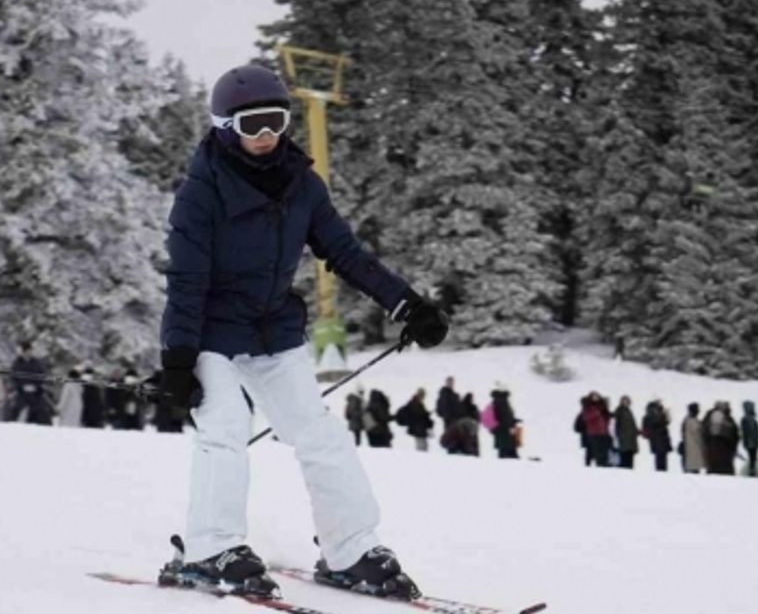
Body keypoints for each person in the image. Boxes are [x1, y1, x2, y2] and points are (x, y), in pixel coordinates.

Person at [155, 64, 448, 600]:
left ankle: (350, 550)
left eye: (275, 120)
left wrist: (406, 304)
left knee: (320, 435)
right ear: (225, 127)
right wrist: (177, 359)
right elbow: (186, 280)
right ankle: (208, 549)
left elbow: (345, 253)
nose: (266, 134)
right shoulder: (201, 194)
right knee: (225, 427)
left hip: (273, 327)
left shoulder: (301, 184)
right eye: (252, 124)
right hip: (212, 331)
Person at [8, 341, 51, 425]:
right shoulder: (17, 363)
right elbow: (13, 377)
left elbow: (41, 376)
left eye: (30, 351)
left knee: (40, 410)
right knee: (15, 408)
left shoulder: (37, 363)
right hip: (21, 391)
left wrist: (36, 386)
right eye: (27, 351)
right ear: (23, 352)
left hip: (35, 392)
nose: (29, 353)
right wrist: (21, 386)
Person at [574, 392, 612, 467]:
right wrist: (597, 412)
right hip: (593, 433)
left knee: (604, 449)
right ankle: (597, 464)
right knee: (595, 450)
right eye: (593, 397)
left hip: (604, 432)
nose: (595, 398)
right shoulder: (588, 407)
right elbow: (586, 417)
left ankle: (603, 463)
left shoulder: (602, 407)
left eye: (597, 396)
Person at [704, 402, 739, 475]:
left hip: (713, 447)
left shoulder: (709, 417)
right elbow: (733, 435)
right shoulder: (728, 419)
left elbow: (705, 431)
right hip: (724, 447)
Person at [490, 384, 520, 459]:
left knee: (505, 449)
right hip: (505, 430)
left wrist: (513, 421)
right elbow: (504, 416)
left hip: (503, 430)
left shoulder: (499, 402)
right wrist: (511, 423)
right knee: (506, 450)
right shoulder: (502, 402)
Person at [641, 400, 672, 472]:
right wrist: (664, 414)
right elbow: (659, 423)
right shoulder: (653, 415)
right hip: (659, 440)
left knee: (660, 459)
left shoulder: (649, 415)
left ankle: (661, 473)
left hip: (656, 441)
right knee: (661, 461)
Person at [613, 395, 639, 469]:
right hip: (623, 438)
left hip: (631, 439)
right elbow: (615, 425)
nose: (626, 403)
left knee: (630, 457)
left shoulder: (629, 411)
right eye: (624, 401)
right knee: (623, 457)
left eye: (627, 401)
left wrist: (637, 431)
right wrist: (618, 435)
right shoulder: (619, 411)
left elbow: (632, 425)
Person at [681, 403, 706, 473]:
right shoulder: (692, 421)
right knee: (693, 469)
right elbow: (698, 434)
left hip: (692, 450)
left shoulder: (688, 420)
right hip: (692, 449)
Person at [740, 401, 758, 477]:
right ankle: (752, 471)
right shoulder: (749, 419)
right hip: (752, 442)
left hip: (751, 442)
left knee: (752, 457)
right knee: (752, 457)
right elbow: (750, 431)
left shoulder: (746, 419)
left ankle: (752, 470)